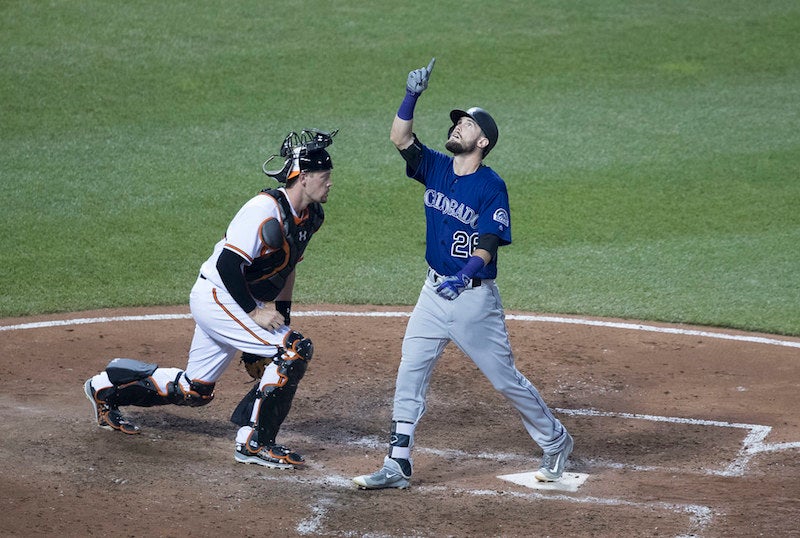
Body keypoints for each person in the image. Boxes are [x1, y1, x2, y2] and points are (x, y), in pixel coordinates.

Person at [352, 59, 573, 489]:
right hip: (433, 294)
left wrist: (463, 275)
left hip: (472, 300)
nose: (457, 127)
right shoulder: (435, 166)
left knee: (504, 379)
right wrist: (411, 94)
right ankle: (398, 463)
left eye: (467, 125)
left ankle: (555, 440)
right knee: (410, 370)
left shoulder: (492, 186)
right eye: (457, 123)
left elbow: (488, 247)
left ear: (483, 141)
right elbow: (400, 137)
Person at [83, 129, 337, 469]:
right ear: (303, 178)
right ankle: (254, 442)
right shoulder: (263, 209)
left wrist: (280, 315)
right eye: (325, 176)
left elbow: (287, 268)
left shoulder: (310, 218)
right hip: (218, 295)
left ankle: (105, 388)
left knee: (195, 390)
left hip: (238, 301)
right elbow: (228, 264)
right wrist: (255, 314)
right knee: (293, 350)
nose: (330, 183)